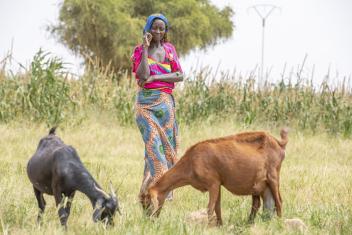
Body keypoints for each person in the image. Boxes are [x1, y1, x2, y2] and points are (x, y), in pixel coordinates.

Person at [131, 13, 184, 199]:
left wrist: (157, 77)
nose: (158, 31)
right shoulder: (139, 51)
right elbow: (143, 76)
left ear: (165, 31)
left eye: (162, 28)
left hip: (166, 106)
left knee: (166, 148)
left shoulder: (170, 50)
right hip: (145, 107)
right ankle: (161, 189)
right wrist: (145, 48)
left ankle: (147, 193)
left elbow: (180, 75)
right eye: (155, 28)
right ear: (148, 29)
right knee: (154, 147)